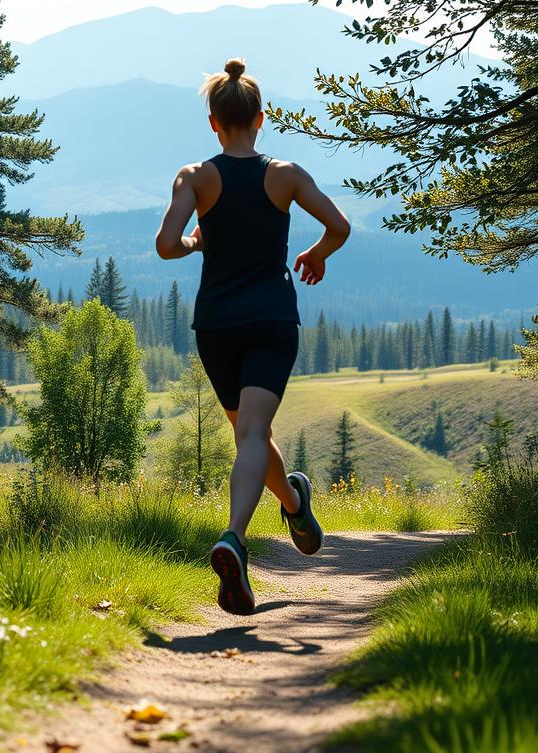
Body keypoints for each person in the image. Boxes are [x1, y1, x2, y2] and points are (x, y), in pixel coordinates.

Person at [154, 58, 351, 615]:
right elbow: (339, 226)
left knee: (248, 433)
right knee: (254, 434)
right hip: (270, 320)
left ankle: (292, 502)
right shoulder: (284, 174)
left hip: (216, 325)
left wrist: (198, 243)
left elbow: (168, 245)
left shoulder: (195, 177)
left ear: (214, 122)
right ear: (259, 119)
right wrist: (315, 254)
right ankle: (236, 538)